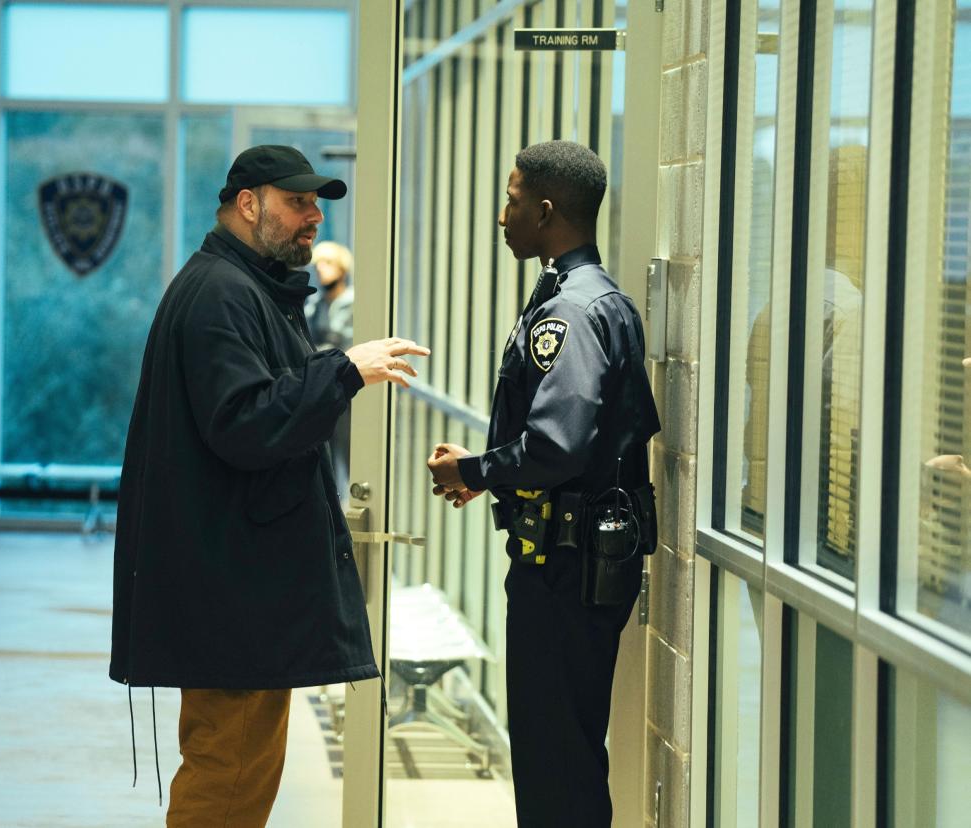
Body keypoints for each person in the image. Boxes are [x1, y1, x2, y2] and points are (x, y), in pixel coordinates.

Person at [110, 145, 429, 827]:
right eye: (297, 203)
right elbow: (246, 425)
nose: (313, 218)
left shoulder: (248, 288)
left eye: (316, 205)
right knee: (227, 778)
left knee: (240, 777)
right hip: (232, 594)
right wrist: (344, 371)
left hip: (241, 591)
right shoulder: (222, 295)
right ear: (248, 203)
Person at [426, 140, 660, 827]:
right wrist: (497, 475)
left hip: (563, 571)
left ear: (547, 210)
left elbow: (556, 445)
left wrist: (474, 469)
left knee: (556, 765)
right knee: (561, 754)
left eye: (514, 199)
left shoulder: (574, 312)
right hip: (568, 560)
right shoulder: (578, 296)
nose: (504, 215)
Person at [304, 240, 355, 496]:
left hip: (347, 388)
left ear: (342, 269)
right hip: (322, 386)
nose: (322, 269)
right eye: (319, 264)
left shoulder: (352, 303)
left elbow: (347, 348)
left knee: (347, 451)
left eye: (328, 264)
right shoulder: (315, 306)